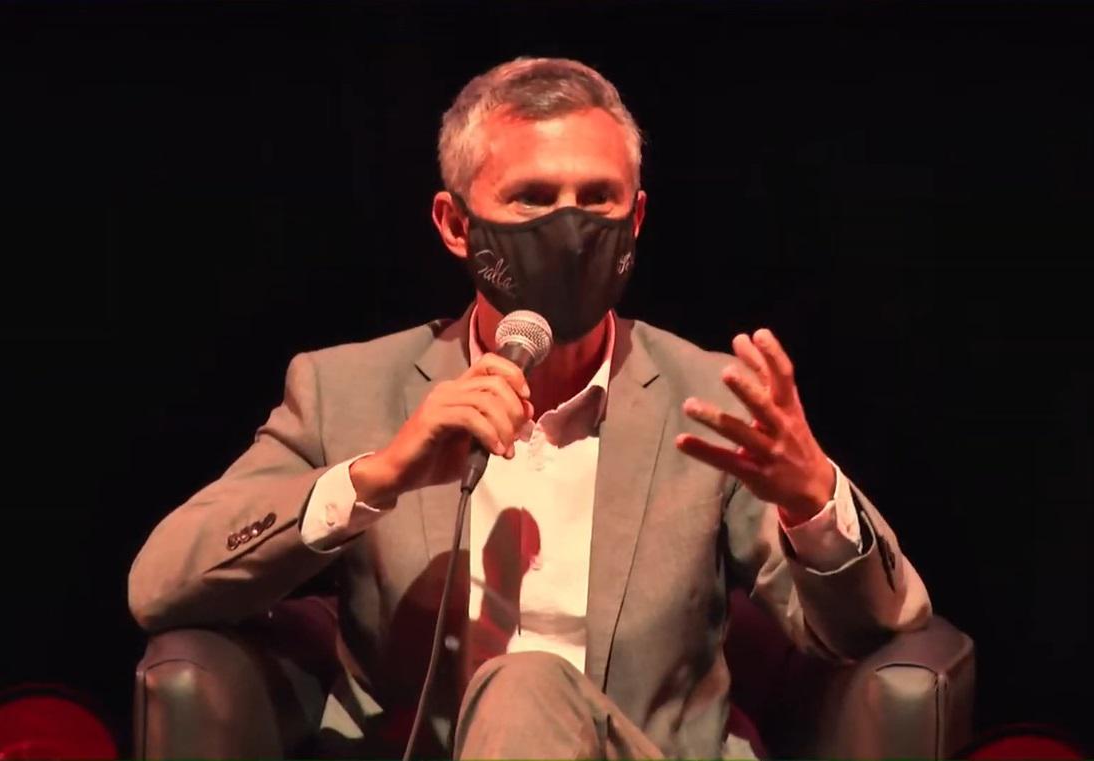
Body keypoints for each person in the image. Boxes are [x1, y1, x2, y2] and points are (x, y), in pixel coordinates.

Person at [128, 57, 930, 760]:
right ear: (455, 224)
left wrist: (812, 500)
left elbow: (877, 623)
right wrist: (376, 476)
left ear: (636, 219)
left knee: (524, 684)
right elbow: (159, 582)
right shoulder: (347, 390)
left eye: (597, 198)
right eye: (533, 199)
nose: (570, 228)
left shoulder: (710, 396)